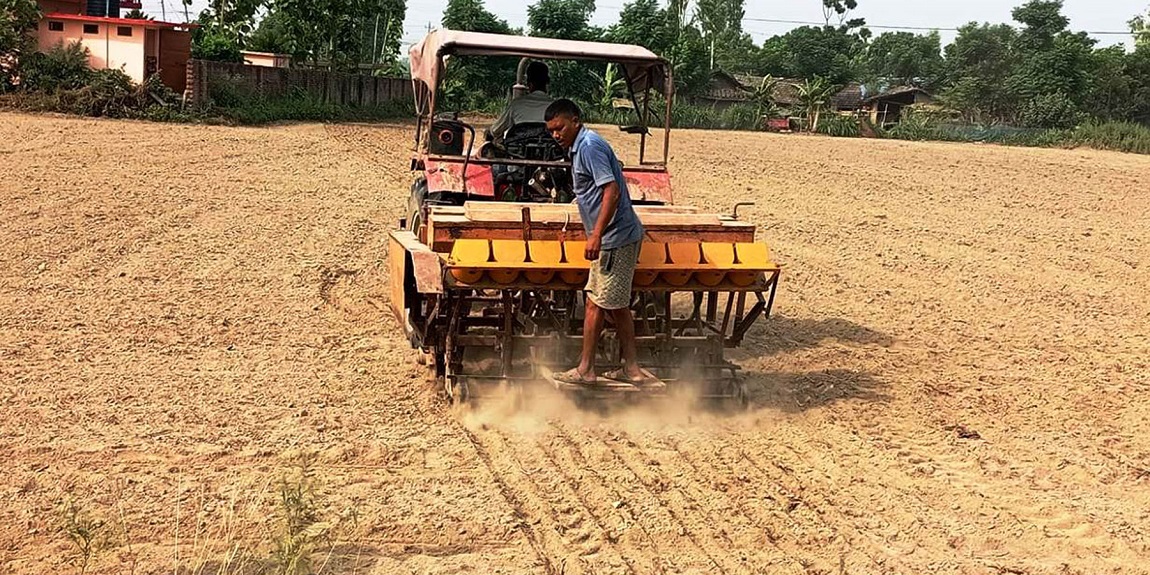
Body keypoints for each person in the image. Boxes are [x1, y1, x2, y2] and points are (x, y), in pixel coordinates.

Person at [545, 99, 661, 388]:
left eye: (559, 128)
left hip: (614, 237)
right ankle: (630, 367)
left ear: (575, 120)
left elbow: (611, 190)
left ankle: (587, 369)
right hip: (612, 235)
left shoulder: (589, 146)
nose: (556, 135)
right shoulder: (581, 145)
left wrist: (595, 233)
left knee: (596, 303)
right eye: (551, 131)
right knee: (615, 305)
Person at [486, 61, 554, 147]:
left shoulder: (516, 104)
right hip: (549, 155)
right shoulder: (556, 107)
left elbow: (496, 130)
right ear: (547, 82)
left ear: (529, 84)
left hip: (518, 154)